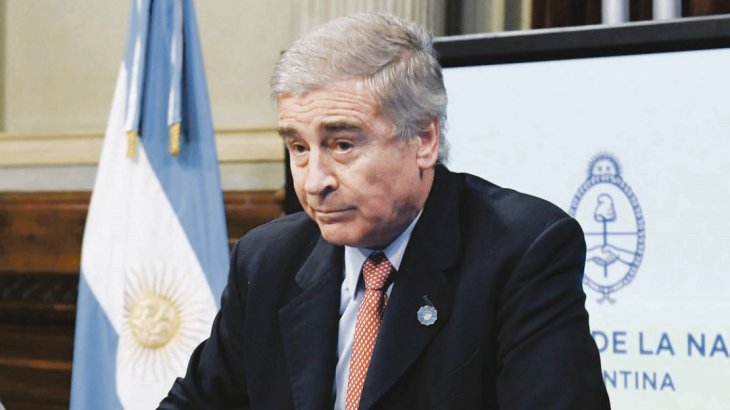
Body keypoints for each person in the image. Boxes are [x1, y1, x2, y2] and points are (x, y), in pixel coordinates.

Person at [159, 13, 610, 409]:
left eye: (342, 145)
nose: (314, 182)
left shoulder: (521, 251)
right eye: (298, 147)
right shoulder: (267, 260)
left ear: (423, 139)